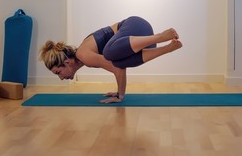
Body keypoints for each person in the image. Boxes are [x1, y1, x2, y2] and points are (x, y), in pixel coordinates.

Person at [39, 16, 182, 103]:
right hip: (143, 41)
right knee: (120, 60)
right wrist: (119, 94)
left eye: (58, 72)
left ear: (67, 62)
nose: (61, 78)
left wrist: (120, 96)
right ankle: (167, 48)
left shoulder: (84, 55)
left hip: (137, 26)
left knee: (109, 54)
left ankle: (161, 36)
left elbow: (116, 69)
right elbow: (119, 66)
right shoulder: (84, 56)